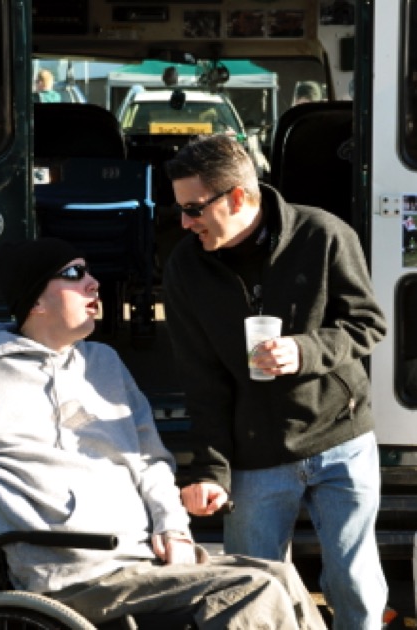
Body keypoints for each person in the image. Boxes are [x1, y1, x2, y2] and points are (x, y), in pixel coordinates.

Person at [0, 237, 327, 630]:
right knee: (252, 591)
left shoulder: (105, 364)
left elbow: (150, 462)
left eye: (89, 271)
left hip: (140, 562)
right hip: (70, 581)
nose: (93, 283)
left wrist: (173, 527)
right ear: (35, 301)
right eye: (73, 274)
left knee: (281, 577)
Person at [163, 134, 388, 630]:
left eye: (194, 209)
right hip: (255, 454)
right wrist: (211, 469)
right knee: (251, 591)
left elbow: (367, 324)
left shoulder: (323, 233)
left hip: (341, 438)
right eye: (179, 209)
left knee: (354, 583)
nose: (185, 222)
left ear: (236, 197)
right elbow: (201, 381)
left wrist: (305, 351)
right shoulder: (185, 268)